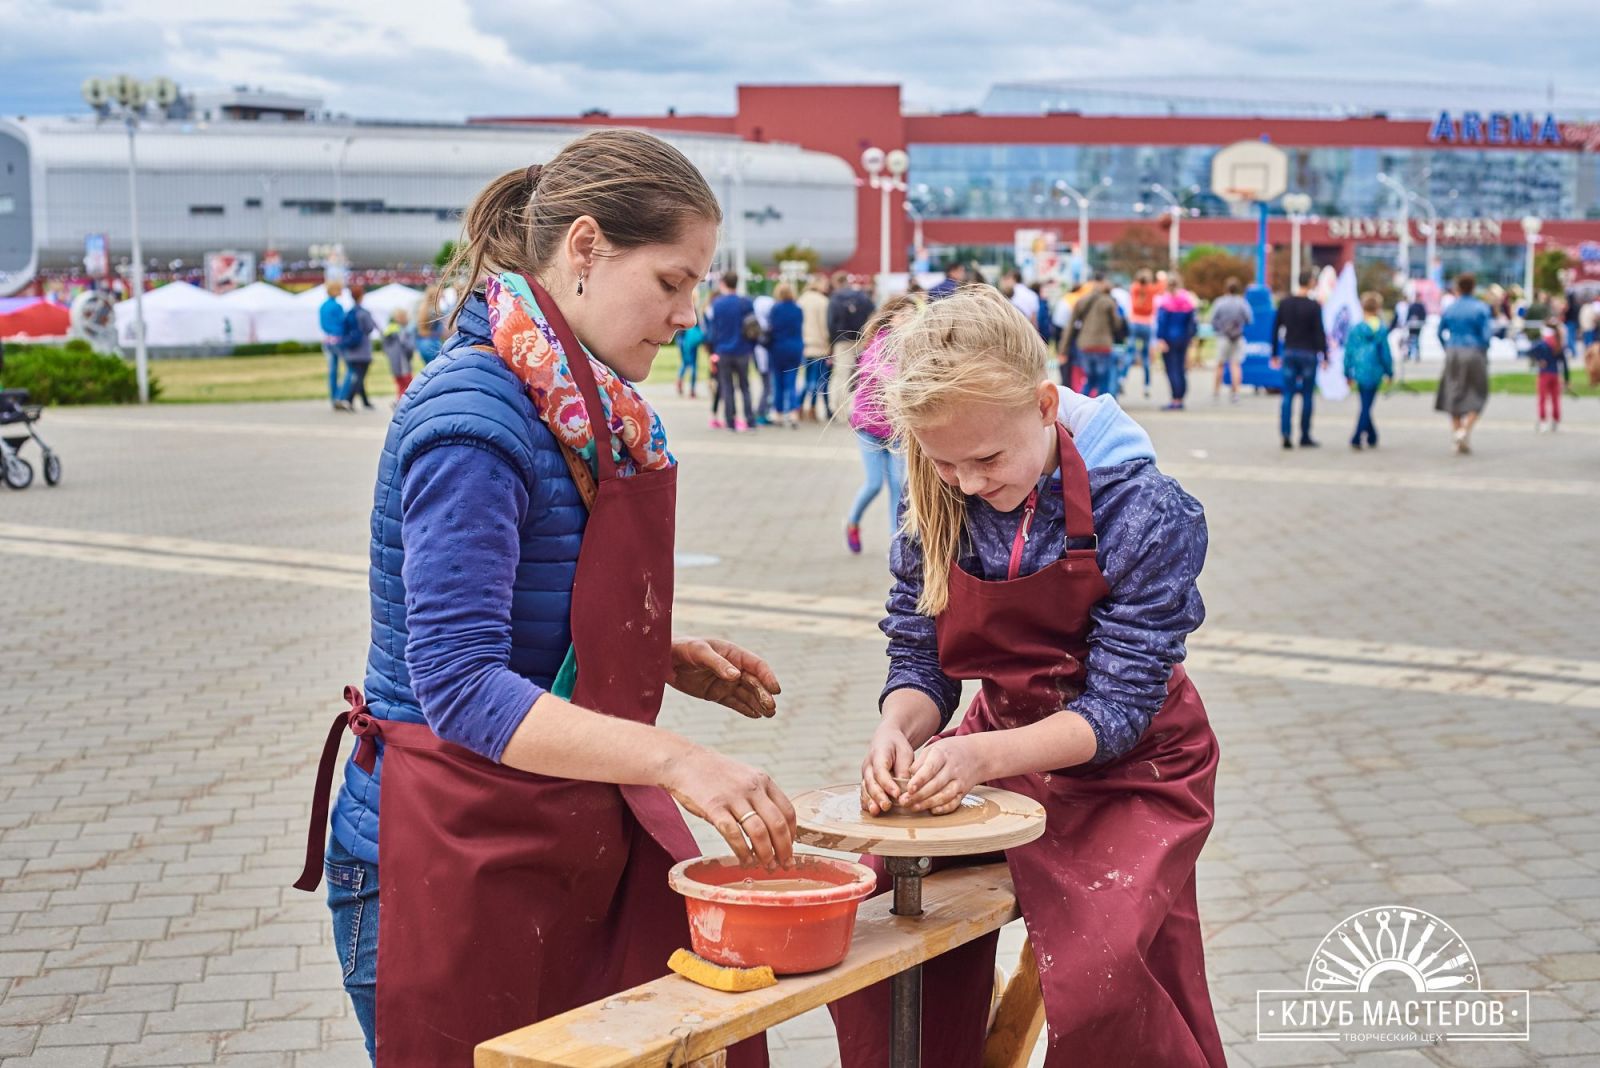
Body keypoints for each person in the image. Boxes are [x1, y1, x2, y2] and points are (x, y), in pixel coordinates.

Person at [295, 130, 788, 1067]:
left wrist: (650, 651)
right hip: (440, 845)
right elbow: (461, 682)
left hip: (544, 827)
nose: (689, 314)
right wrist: (679, 761)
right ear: (587, 247)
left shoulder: (571, 396)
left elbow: (524, 595)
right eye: (673, 281)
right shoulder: (475, 414)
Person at [829, 285, 1224, 1067]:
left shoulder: (1143, 511)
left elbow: (1119, 708)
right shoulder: (936, 501)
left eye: (986, 459)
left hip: (1136, 770)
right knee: (872, 915)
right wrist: (897, 732)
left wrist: (976, 759)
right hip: (1001, 741)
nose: (969, 484)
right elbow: (920, 659)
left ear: (1046, 405)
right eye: (944, 463)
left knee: (1102, 978)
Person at [844, 294, 918, 554]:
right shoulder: (878, 344)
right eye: (903, 315)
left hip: (896, 429)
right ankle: (852, 522)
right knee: (875, 483)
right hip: (869, 427)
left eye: (913, 316)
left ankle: (895, 542)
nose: (908, 320)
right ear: (891, 318)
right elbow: (885, 374)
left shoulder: (913, 346)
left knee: (898, 484)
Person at [1435, 272, 1492, 455]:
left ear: (1458, 288)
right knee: (1479, 392)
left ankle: (1457, 432)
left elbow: (1440, 331)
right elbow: (1486, 335)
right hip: (1474, 351)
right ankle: (1465, 430)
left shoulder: (1451, 308)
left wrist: (1447, 347)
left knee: (1453, 391)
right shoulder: (1481, 308)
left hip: (1453, 351)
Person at [1271, 272, 1328, 448]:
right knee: (1307, 395)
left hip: (1290, 351)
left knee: (1287, 394)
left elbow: (1275, 328)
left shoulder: (1285, 303)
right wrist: (1324, 355)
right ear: (1310, 282)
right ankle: (1305, 435)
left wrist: (1274, 353)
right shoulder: (1314, 306)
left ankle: (1286, 433)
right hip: (1309, 353)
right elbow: (1319, 332)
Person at [707, 270, 757, 432]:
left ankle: (730, 420)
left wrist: (713, 350)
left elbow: (713, 331)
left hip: (723, 351)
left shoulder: (717, 304)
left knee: (727, 387)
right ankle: (750, 419)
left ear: (723, 284)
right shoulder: (746, 302)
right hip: (742, 350)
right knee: (745, 387)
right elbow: (753, 328)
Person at [1343, 291, 1393, 449]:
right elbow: (1385, 352)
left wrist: (1347, 372)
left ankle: (1371, 435)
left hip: (1359, 369)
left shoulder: (1356, 329)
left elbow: (1349, 352)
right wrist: (1389, 371)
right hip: (1375, 370)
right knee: (1367, 404)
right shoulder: (1381, 329)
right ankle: (1360, 436)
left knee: (1365, 403)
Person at [1061, 273, 1120, 399]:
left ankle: (1082, 406)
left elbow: (1070, 326)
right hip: (1103, 345)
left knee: (1090, 380)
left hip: (1084, 345)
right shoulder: (1108, 302)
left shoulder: (1081, 301)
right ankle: (1102, 408)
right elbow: (1117, 325)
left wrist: (1063, 349)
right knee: (1103, 381)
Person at [827, 271, 875, 411]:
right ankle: (855, 408)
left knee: (841, 375)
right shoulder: (862, 296)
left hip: (842, 341)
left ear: (836, 283)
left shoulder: (835, 298)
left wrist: (831, 343)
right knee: (858, 376)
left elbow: (831, 323)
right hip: (860, 340)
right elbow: (872, 316)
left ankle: (838, 409)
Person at [1154, 275, 1199, 410]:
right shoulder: (1187, 300)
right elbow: (1192, 322)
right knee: (1181, 368)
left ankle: (1175, 398)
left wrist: (1160, 338)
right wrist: (1190, 336)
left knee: (1171, 368)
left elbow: (1161, 322)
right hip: (1183, 339)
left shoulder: (1165, 302)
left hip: (1169, 339)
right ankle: (1181, 396)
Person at [334, 285, 379, 411]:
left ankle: (365, 402)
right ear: (361, 296)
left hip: (351, 349)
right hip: (363, 350)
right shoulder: (364, 313)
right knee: (360, 376)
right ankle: (348, 400)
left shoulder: (348, 313)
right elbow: (369, 328)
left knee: (359, 375)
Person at [766, 282, 805, 428]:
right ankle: (794, 413)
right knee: (792, 382)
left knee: (778, 382)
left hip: (777, 348)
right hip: (794, 348)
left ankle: (778, 413)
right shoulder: (798, 309)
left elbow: (771, 328)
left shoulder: (775, 308)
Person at [1209, 276, 1252, 403]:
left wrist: (1219, 328)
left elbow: (1212, 320)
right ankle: (1236, 392)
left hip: (1223, 336)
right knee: (1235, 365)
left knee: (1220, 364)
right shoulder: (1242, 303)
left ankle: (1216, 391)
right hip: (1237, 336)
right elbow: (1249, 319)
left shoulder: (1220, 302)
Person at [797, 273, 832, 421]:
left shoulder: (801, 300)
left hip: (805, 344)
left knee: (807, 378)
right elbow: (825, 326)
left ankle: (799, 407)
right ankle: (811, 408)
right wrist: (829, 343)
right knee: (817, 380)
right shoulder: (823, 302)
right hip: (819, 345)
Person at [1127, 268, 1164, 398]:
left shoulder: (1134, 288)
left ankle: (1122, 378)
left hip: (1134, 322)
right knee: (1146, 357)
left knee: (1130, 353)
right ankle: (1147, 385)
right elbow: (1162, 286)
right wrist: (1160, 276)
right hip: (1147, 324)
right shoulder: (1151, 289)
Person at [1528, 323, 1569, 432]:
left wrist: (1539, 359)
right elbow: (1564, 363)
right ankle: (1555, 420)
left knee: (1542, 399)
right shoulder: (1559, 344)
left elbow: (1530, 350)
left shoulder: (1542, 343)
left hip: (1544, 374)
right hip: (1555, 374)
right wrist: (1567, 379)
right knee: (1555, 399)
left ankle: (1543, 421)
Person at [319, 280, 347, 409]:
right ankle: (340, 395)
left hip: (327, 339)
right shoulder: (337, 306)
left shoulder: (323, 306)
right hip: (338, 339)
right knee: (350, 368)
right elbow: (343, 323)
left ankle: (333, 396)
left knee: (332, 370)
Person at [381, 307, 417, 400]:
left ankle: (399, 401)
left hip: (394, 362)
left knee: (400, 384)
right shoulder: (403, 331)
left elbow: (385, 346)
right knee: (408, 384)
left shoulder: (389, 329)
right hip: (402, 362)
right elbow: (409, 346)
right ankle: (404, 402)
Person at [675, 294, 705, 398]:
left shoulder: (678, 307)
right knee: (693, 365)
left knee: (685, 362)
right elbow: (698, 326)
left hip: (681, 338)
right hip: (691, 341)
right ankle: (692, 389)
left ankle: (680, 378)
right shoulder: (693, 309)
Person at [415, 285, 446, 366]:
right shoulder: (431, 311)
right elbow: (422, 331)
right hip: (430, 343)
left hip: (427, 342)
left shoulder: (426, 309)